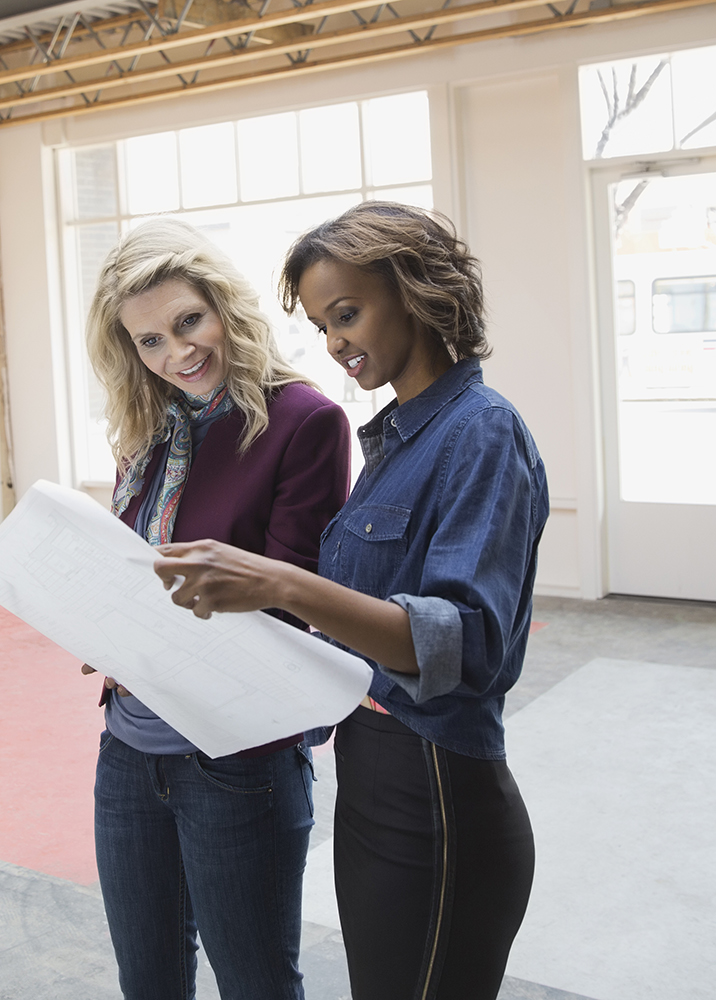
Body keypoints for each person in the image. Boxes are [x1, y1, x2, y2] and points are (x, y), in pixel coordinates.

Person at [154, 202, 544, 1000]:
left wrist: (280, 582)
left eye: (348, 314)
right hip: (371, 778)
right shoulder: (397, 440)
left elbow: (461, 644)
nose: (335, 343)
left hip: (438, 789)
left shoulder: (483, 432)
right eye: (323, 325)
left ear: (418, 291)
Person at [82, 218, 351, 1000]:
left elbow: (293, 602)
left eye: (187, 321)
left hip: (236, 758)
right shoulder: (147, 433)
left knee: (257, 983)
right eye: (149, 341)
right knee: (150, 982)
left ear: (224, 305)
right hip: (129, 751)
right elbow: (139, 570)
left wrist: (153, 630)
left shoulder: (304, 421)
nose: (177, 353)